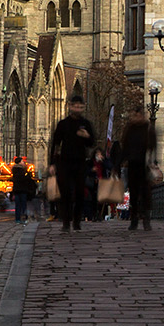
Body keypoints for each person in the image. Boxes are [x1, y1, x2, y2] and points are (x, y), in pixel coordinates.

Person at [47, 93, 96, 232]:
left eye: (80, 107)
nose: (77, 109)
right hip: (64, 162)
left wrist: (87, 136)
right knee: (65, 192)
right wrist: (52, 163)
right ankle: (66, 221)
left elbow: (92, 142)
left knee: (80, 192)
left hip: (80, 161)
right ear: (70, 106)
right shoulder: (63, 124)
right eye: (75, 106)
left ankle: (77, 220)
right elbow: (55, 144)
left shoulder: (86, 124)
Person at [116, 106, 157, 231]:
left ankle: (146, 219)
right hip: (132, 164)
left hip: (144, 165)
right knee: (133, 193)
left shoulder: (148, 129)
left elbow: (153, 147)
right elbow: (125, 148)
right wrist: (118, 163)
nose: (136, 117)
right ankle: (134, 219)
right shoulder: (129, 129)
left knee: (145, 193)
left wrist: (153, 162)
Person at [10, 156, 37, 223]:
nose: (23, 162)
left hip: (16, 190)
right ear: (19, 162)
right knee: (24, 205)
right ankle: (25, 218)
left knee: (18, 206)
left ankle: (18, 219)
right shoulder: (23, 171)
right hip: (23, 190)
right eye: (22, 161)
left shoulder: (14, 171)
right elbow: (26, 180)